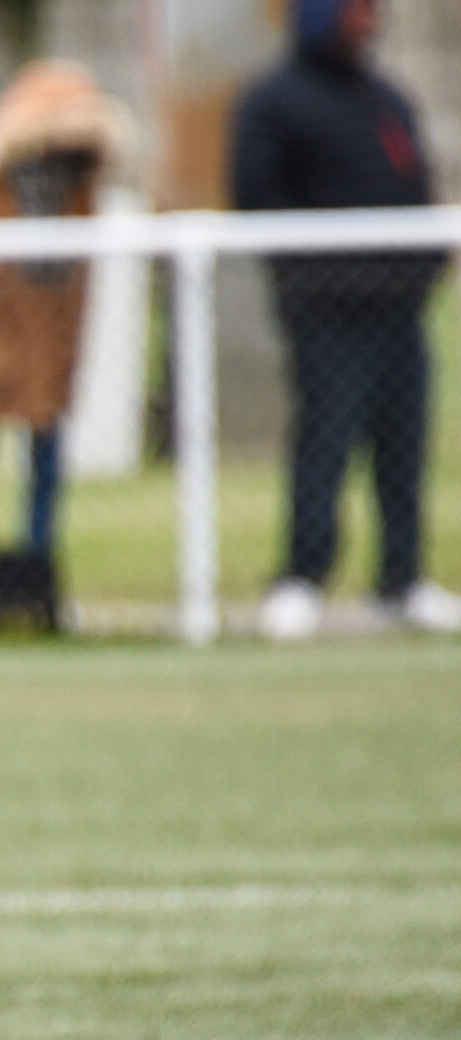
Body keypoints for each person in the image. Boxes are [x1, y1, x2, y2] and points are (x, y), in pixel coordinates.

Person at [234, 0, 459, 641]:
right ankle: (302, 578)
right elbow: (258, 197)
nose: (366, 22)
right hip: (329, 314)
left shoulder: (385, 96)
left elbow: (415, 187)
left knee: (404, 447)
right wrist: (322, 277)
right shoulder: (274, 102)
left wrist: (426, 265)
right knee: (325, 444)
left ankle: (402, 580)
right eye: (352, 11)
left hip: (400, 310)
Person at [0, 63, 130, 650]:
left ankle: (40, 589)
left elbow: (81, 268)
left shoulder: (78, 172)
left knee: (47, 473)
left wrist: (63, 343)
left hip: (47, 345)